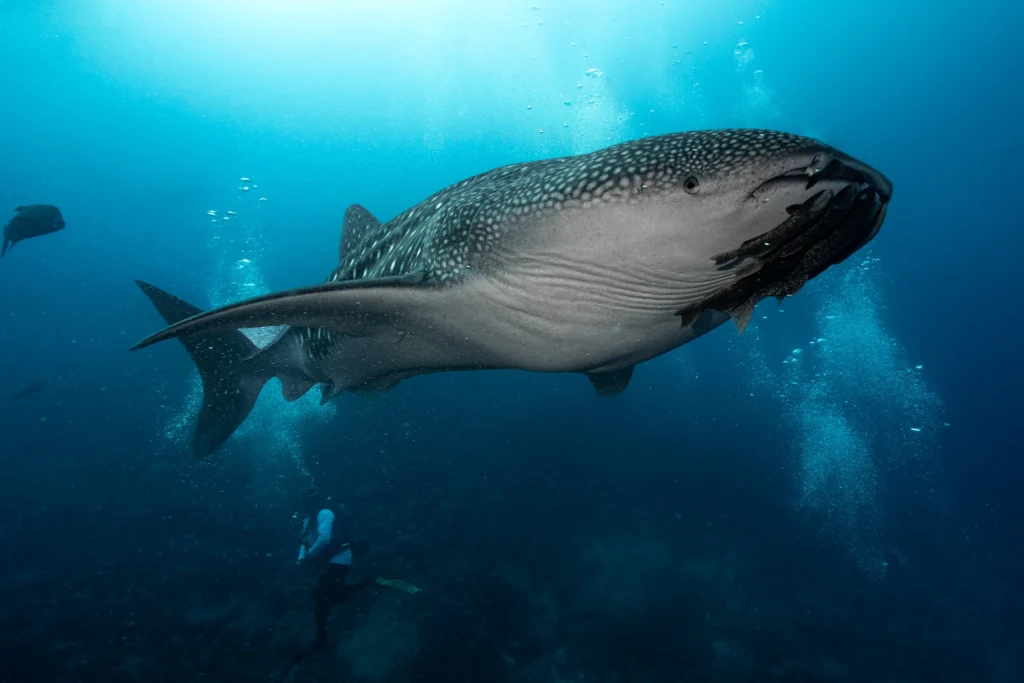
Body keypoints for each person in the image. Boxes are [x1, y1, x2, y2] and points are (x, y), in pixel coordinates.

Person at [297, 500, 371, 651]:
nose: (301, 511)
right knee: (335, 597)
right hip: (330, 562)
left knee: (321, 598)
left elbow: (324, 539)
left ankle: (320, 638)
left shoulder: (324, 513)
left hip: (339, 560)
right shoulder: (307, 520)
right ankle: (368, 582)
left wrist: (309, 556)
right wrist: (301, 559)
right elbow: (304, 541)